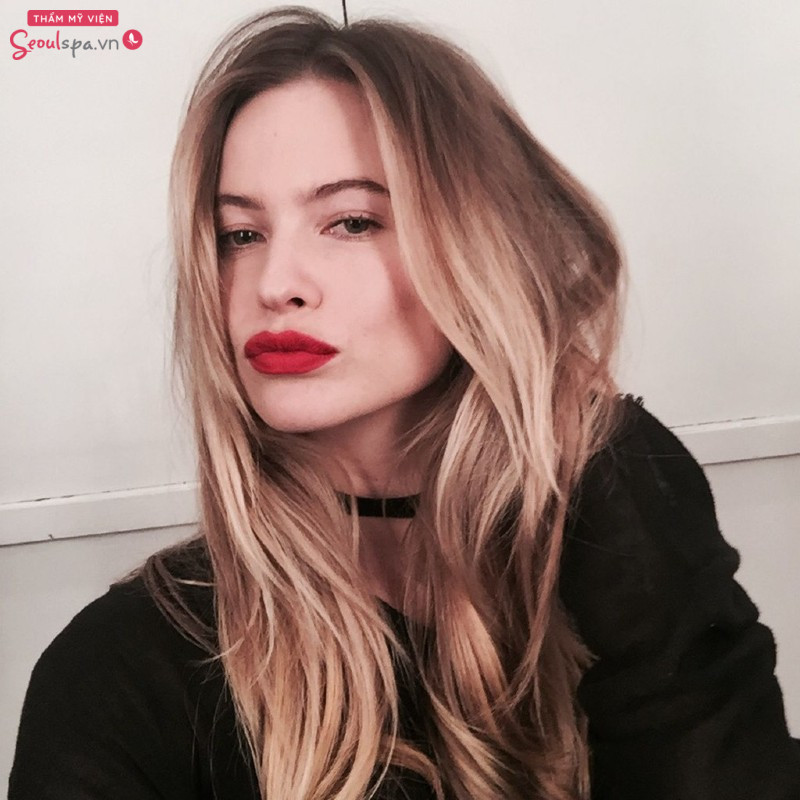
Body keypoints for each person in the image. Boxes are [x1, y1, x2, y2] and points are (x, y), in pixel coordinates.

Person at [8, 7, 800, 800]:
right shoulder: (119, 676)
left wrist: (616, 481)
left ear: (482, 247)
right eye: (239, 235)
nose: (276, 284)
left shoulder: (626, 554)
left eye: (351, 222)